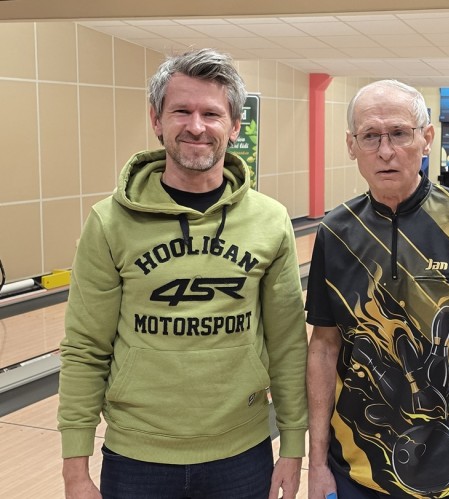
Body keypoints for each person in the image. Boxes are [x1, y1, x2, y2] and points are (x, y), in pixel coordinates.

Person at [57, 48, 308, 499]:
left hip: (242, 452)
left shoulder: (270, 221)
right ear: (156, 120)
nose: (196, 126)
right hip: (137, 456)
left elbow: (287, 343)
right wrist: (75, 468)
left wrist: (292, 445)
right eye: (181, 111)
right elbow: (85, 347)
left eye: (211, 114)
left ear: (235, 126)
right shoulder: (109, 222)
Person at [305, 80, 449, 499]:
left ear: (427, 137)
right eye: (370, 136)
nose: (385, 151)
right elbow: (324, 347)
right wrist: (319, 462)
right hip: (355, 472)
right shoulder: (335, 232)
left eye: (399, 133)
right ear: (351, 145)